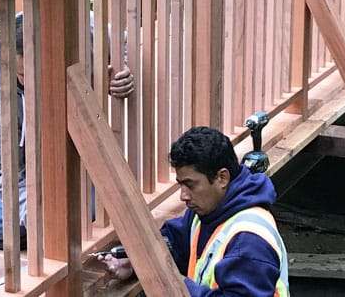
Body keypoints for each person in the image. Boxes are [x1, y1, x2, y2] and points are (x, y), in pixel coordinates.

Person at [0, 12, 135, 249]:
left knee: (101, 205)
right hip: (16, 171)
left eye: (32, 73)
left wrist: (123, 70)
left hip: (69, 161)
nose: (24, 83)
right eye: (19, 74)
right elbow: (2, 174)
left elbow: (127, 42)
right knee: (3, 225)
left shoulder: (84, 30)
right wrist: (40, 217)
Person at [101, 126, 289, 296]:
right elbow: (175, 242)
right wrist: (135, 263)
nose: (183, 196)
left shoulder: (248, 241)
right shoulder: (208, 211)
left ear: (222, 178)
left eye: (190, 185)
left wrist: (175, 284)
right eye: (181, 184)